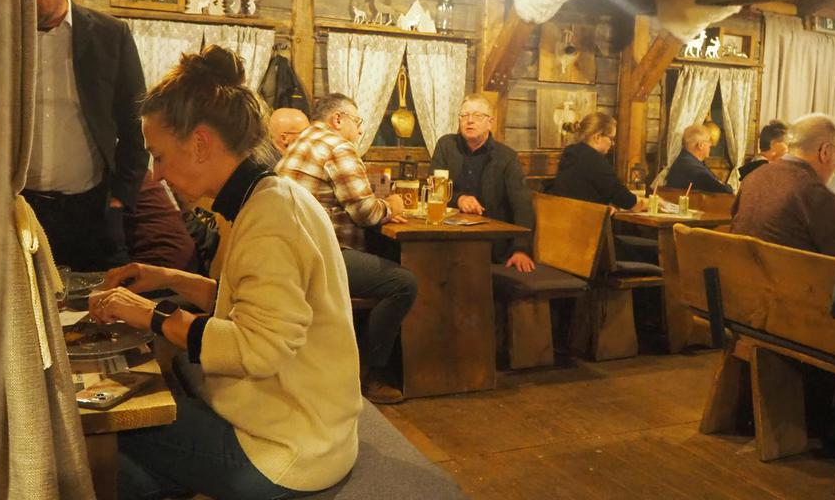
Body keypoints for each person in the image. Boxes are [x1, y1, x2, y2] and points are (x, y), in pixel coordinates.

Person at [88, 46, 360, 500]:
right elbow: (255, 305)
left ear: (199, 144)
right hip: (315, 431)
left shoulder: (270, 218)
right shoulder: (268, 195)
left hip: (291, 451)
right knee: (135, 463)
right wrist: (170, 279)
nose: (157, 174)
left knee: (107, 426)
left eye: (159, 156)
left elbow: (258, 349)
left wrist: (152, 315)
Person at [276, 92, 416, 404]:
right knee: (403, 283)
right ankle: (368, 373)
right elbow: (365, 213)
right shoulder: (338, 146)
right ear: (337, 119)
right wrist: (391, 205)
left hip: (286, 253)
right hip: (317, 257)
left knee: (381, 263)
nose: (361, 129)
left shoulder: (301, 141)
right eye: (357, 121)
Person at [26, 0, 148, 271]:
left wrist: (120, 199)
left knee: (102, 300)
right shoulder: (2, 37)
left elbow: (136, 122)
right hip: (20, 208)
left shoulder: (110, 35)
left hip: (91, 210)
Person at [431, 94, 536, 273]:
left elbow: (522, 206)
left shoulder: (506, 157)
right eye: (464, 115)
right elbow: (434, 189)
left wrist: (521, 250)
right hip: (447, 238)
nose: (469, 120)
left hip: (490, 245)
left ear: (490, 122)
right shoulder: (446, 145)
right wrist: (459, 199)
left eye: (477, 116)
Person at [731, 113, 835, 257]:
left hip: (738, 268)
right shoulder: (817, 195)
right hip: (790, 271)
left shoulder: (753, 177)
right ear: (825, 151)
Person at [549, 112, 646, 212]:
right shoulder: (595, 160)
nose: (613, 144)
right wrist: (649, 203)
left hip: (563, 217)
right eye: (611, 139)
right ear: (597, 137)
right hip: (583, 220)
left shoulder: (570, 153)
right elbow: (625, 199)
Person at [664, 124, 734, 194]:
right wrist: (727, 187)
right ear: (700, 145)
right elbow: (724, 190)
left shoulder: (688, 161)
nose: (710, 144)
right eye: (709, 141)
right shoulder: (692, 167)